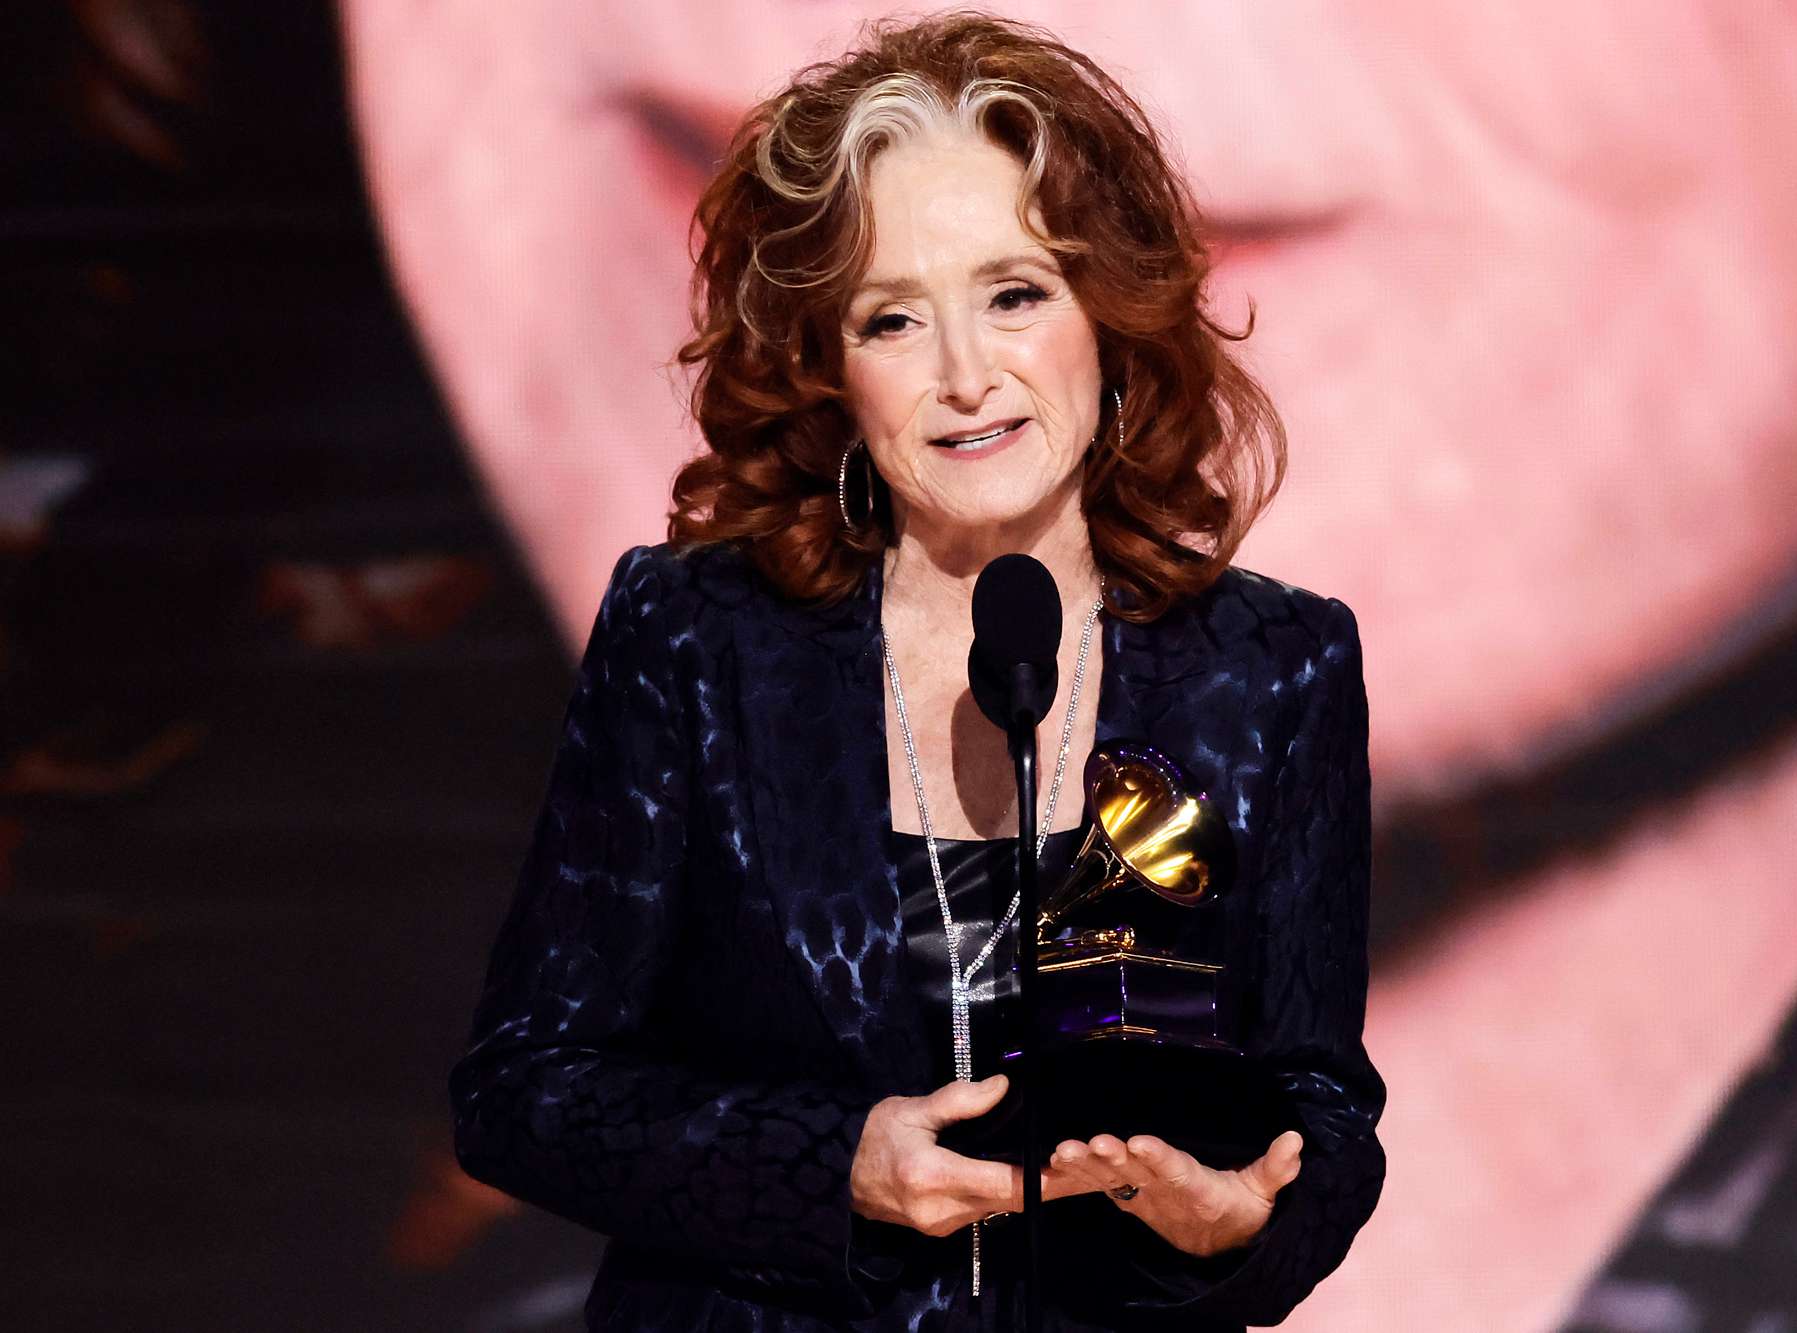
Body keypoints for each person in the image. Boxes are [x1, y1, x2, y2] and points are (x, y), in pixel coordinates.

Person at [447, 14, 1385, 1331]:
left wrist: (1246, 1218)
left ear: (1106, 315)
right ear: (830, 366)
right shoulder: (696, 642)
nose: (963, 377)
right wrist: (836, 1166)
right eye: (894, 317)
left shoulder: (1271, 669)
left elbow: (1321, 1101)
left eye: (1014, 293)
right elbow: (525, 1085)